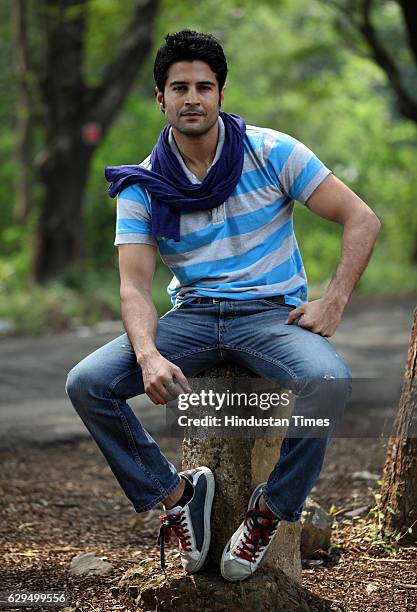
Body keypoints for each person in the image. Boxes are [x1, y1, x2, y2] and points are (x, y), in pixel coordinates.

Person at [66, 29, 380, 582]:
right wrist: (147, 356)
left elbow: (362, 218)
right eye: (179, 87)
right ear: (160, 98)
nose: (192, 98)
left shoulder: (273, 152)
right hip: (190, 317)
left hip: (270, 316)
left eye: (204, 87)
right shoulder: (143, 185)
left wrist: (334, 301)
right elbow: (135, 286)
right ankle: (178, 495)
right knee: (87, 382)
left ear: (221, 94)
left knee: (328, 383)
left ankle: (269, 511)